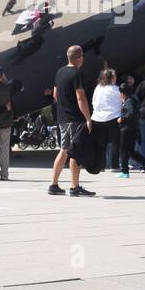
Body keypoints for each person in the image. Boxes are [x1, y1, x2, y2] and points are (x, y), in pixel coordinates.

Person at [49, 46, 95, 197]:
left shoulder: (59, 72)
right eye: (82, 56)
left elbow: (55, 94)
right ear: (79, 57)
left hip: (62, 118)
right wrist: (88, 118)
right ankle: (75, 187)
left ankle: (54, 184)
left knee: (64, 150)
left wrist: (64, 105)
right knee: (75, 152)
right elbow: (80, 97)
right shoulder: (77, 73)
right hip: (75, 118)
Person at [90, 68, 124, 172]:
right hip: (113, 117)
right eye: (115, 76)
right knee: (115, 142)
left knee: (101, 143)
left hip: (97, 118)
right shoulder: (116, 89)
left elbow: (93, 101)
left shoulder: (98, 88)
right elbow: (122, 102)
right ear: (112, 78)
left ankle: (101, 165)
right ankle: (114, 165)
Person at [117, 79, 141, 177]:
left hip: (127, 128)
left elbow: (131, 113)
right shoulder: (131, 99)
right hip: (132, 128)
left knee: (124, 150)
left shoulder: (129, 101)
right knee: (130, 150)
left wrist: (122, 119)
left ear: (123, 93)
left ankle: (124, 171)